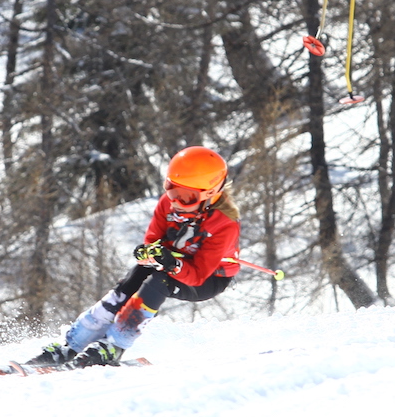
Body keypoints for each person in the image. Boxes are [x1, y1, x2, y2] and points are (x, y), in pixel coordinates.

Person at [33, 146, 241, 367]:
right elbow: (152, 240)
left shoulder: (225, 224)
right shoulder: (167, 204)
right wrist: (149, 253)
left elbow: (198, 275)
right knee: (134, 278)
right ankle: (72, 344)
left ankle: (115, 345)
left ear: (210, 193)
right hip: (174, 262)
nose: (176, 202)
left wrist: (173, 264)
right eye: (172, 190)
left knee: (159, 282)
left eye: (187, 197)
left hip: (208, 278)